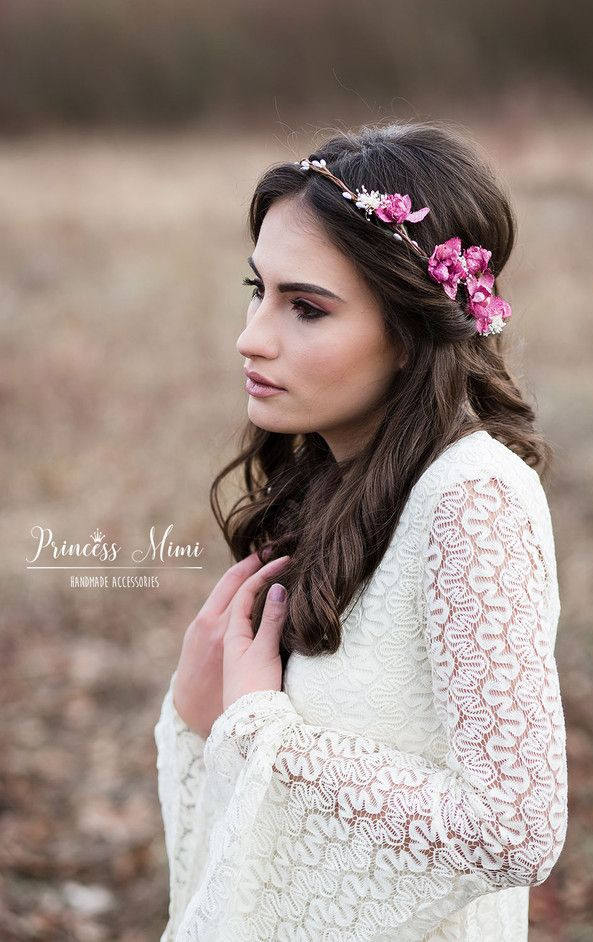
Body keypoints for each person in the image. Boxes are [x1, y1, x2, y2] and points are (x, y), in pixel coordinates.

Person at [153, 120, 568, 941]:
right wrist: (201, 719)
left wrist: (256, 731)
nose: (252, 338)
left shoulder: (472, 500)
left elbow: (518, 828)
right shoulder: (332, 482)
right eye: (257, 291)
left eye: (306, 308)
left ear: (412, 332)